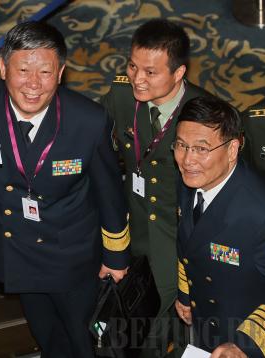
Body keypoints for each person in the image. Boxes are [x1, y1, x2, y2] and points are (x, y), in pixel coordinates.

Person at [0, 21, 130, 358]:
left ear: (61, 72)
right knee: (48, 336)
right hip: (13, 250)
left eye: (46, 72)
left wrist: (116, 258)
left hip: (71, 256)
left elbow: (109, 192)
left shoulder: (88, 120)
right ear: (3, 68)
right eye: (23, 70)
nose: (34, 85)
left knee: (88, 343)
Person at [172, 96, 265, 357]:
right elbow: (188, 243)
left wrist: (244, 345)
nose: (187, 159)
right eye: (181, 145)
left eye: (202, 149)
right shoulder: (192, 180)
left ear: (232, 149)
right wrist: (185, 293)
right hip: (202, 324)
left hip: (243, 337)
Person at [100, 18, 211, 355]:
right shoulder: (122, 94)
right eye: (133, 66)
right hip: (133, 233)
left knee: (158, 329)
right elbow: (96, 145)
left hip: (178, 241)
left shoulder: (206, 116)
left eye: (150, 72)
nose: (138, 78)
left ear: (178, 73)